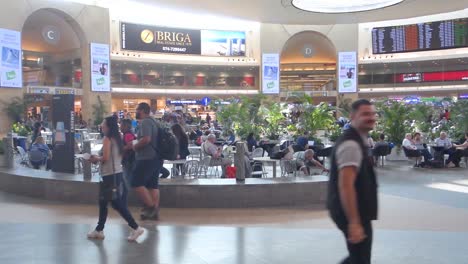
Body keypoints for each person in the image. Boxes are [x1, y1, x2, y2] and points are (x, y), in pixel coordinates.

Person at [327, 99, 378, 264]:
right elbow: (346, 185)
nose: (371, 117)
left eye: (372, 113)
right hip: (352, 212)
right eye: (365, 114)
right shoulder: (351, 145)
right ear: (353, 117)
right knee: (360, 259)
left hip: (357, 209)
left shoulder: (359, 139)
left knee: (358, 258)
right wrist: (354, 222)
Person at [87, 116, 144, 242]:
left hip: (109, 176)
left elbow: (106, 157)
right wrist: (99, 158)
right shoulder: (118, 138)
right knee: (103, 202)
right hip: (117, 173)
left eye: (103, 124)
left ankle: (135, 227)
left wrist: (96, 159)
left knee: (116, 204)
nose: (101, 126)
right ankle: (99, 229)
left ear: (108, 126)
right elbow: (115, 156)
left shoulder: (107, 139)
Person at [132, 103, 162, 220]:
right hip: (157, 158)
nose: (136, 112)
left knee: (136, 182)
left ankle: (151, 208)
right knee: (152, 185)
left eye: (137, 110)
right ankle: (154, 212)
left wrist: (135, 146)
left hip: (147, 157)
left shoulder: (145, 122)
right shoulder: (155, 122)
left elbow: (146, 139)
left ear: (143, 110)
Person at [120, 119, 136, 188]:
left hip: (128, 161)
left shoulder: (127, 135)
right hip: (130, 160)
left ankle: (128, 196)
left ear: (125, 126)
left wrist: (122, 148)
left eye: (121, 125)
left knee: (127, 179)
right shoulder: (130, 134)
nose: (120, 127)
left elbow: (132, 145)